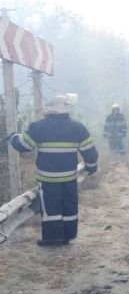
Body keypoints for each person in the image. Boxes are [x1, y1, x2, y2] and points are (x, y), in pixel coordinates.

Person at [8, 94, 98, 247]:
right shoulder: (78, 127)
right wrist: (91, 167)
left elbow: (24, 146)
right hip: (70, 178)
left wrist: (12, 137)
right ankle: (68, 236)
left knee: (51, 208)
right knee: (69, 205)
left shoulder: (38, 127)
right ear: (67, 109)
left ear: (48, 109)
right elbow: (91, 153)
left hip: (48, 179)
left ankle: (53, 238)